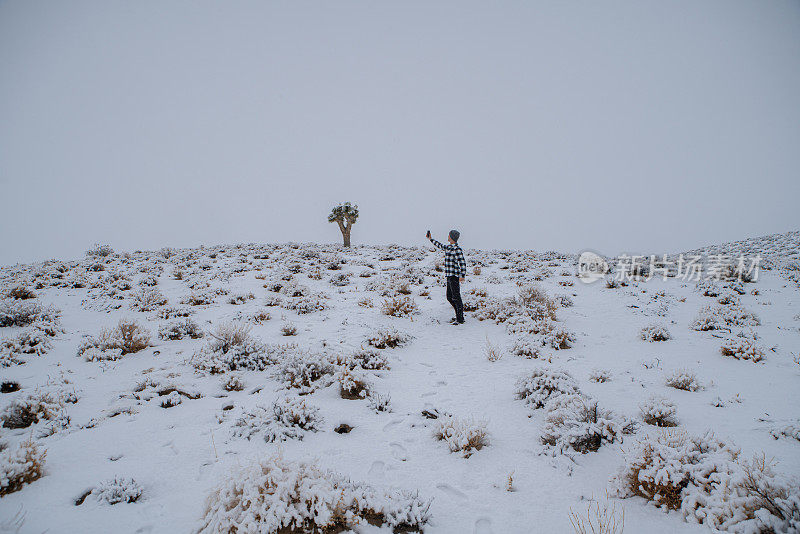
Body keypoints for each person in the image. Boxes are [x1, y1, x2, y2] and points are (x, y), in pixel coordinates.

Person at [426, 229, 467, 324]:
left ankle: (460, 319)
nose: (447, 236)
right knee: (449, 297)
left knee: (456, 297)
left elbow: (462, 263)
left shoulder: (457, 249)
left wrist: (462, 275)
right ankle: (458, 316)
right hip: (449, 276)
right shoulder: (448, 247)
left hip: (454, 276)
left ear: (452, 237)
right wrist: (430, 239)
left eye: (449, 235)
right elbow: (440, 245)